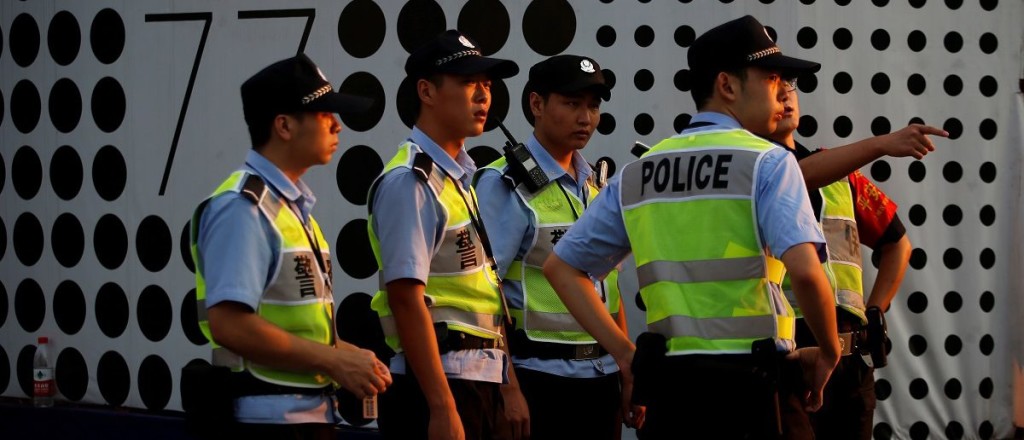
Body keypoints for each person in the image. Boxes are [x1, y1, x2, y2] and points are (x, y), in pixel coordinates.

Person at [541, 15, 843, 439]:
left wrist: (626, 356)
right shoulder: (769, 163)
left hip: (671, 394)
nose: (782, 93)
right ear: (727, 85)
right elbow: (807, 273)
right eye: (772, 77)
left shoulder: (639, 172)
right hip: (755, 388)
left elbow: (561, 268)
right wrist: (829, 352)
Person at [189, 54, 392, 439]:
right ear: (283, 125)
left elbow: (295, 325)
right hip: (268, 420)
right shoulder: (242, 208)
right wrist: (332, 360)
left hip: (306, 415)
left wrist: (347, 355)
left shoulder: (292, 211)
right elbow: (229, 324)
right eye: (323, 114)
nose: (337, 124)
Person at [367, 30, 529, 440]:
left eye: (487, 85)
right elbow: (406, 299)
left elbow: (485, 293)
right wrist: (442, 406)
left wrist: (507, 386)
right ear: (427, 91)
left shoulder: (457, 178)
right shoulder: (411, 182)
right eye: (468, 82)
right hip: (441, 384)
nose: (483, 96)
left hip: (475, 380)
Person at [473, 55, 643, 439]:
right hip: (538, 381)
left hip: (601, 380)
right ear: (536, 104)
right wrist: (508, 388)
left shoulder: (598, 187)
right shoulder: (504, 183)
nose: (586, 117)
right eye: (572, 103)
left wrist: (625, 367)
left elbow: (609, 292)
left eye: (593, 106)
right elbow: (483, 294)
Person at [768, 79, 939, 440]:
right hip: (784, 357)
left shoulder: (844, 176)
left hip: (850, 362)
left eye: (791, 86)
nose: (785, 94)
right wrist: (880, 144)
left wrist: (874, 313)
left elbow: (898, 244)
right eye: (772, 85)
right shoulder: (753, 173)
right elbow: (797, 176)